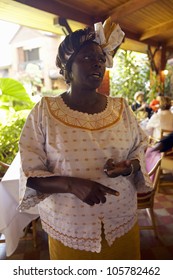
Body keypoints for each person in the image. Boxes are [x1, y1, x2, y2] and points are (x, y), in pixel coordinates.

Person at [18, 18, 152, 260]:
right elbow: (28, 173)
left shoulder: (122, 109)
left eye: (101, 59)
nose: (98, 65)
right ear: (67, 67)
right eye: (87, 58)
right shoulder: (45, 112)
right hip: (70, 227)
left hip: (120, 219)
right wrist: (70, 184)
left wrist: (128, 167)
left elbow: (141, 148)